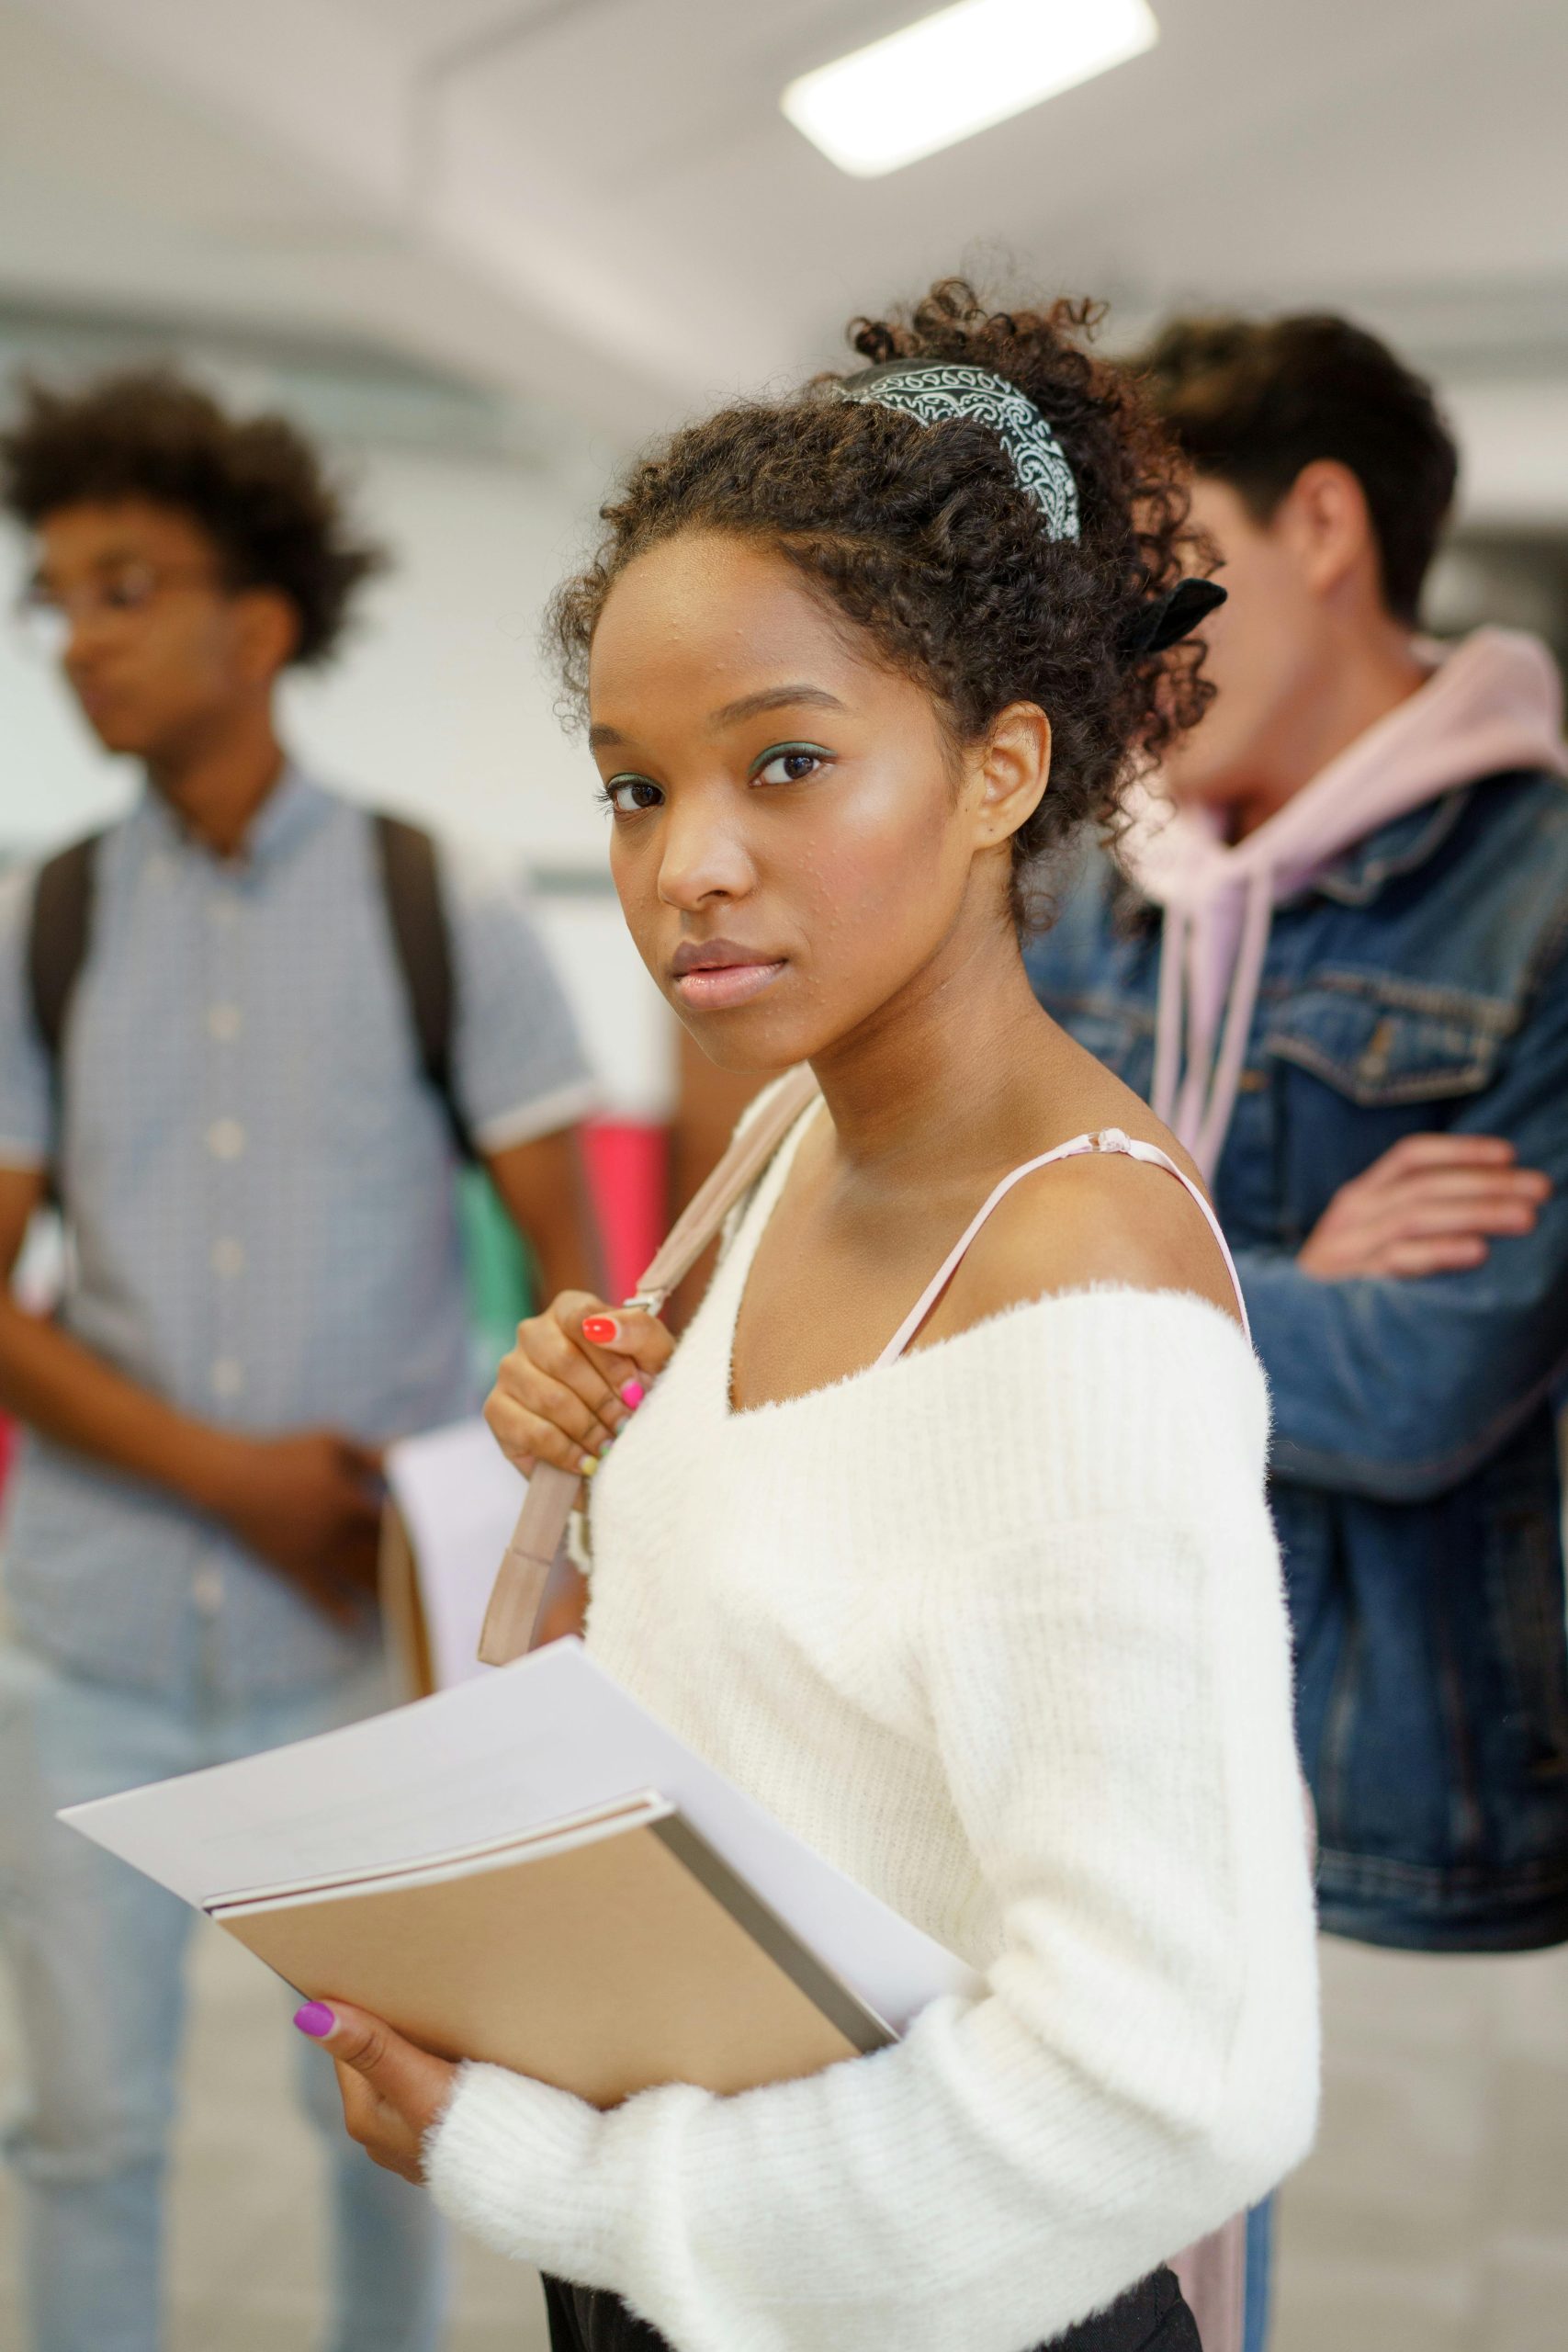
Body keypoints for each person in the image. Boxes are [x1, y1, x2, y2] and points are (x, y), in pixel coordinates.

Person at [297, 280, 1320, 2352]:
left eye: (782, 762)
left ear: (995, 769)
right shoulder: (783, 1142)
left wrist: (547, 2171)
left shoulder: (1079, 1296)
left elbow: (1168, 2080)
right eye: (633, 786)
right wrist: (585, 1450)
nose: (689, 863)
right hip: (709, 2258)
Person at [0, 368, 602, 2352]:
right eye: (56, 591)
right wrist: (226, 1470)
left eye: (121, 585)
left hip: (365, 1662)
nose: (73, 630)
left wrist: (531, 1543)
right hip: (81, 1654)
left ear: (255, 625)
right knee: (83, 2132)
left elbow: (586, 1287)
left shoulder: (442, 906)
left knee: (389, 2110)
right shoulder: (45, 923)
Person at [1026, 312, 1568, 1957]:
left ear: (1322, 528)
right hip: (1075, 1776)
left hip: (1381, 1830)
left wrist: (1099, 1290)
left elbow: (1424, 1388)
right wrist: (1274, 1285)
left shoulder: (1537, 898)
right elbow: (947, 1254)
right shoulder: (1115, 892)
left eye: (1160, 580)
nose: (1124, 651)